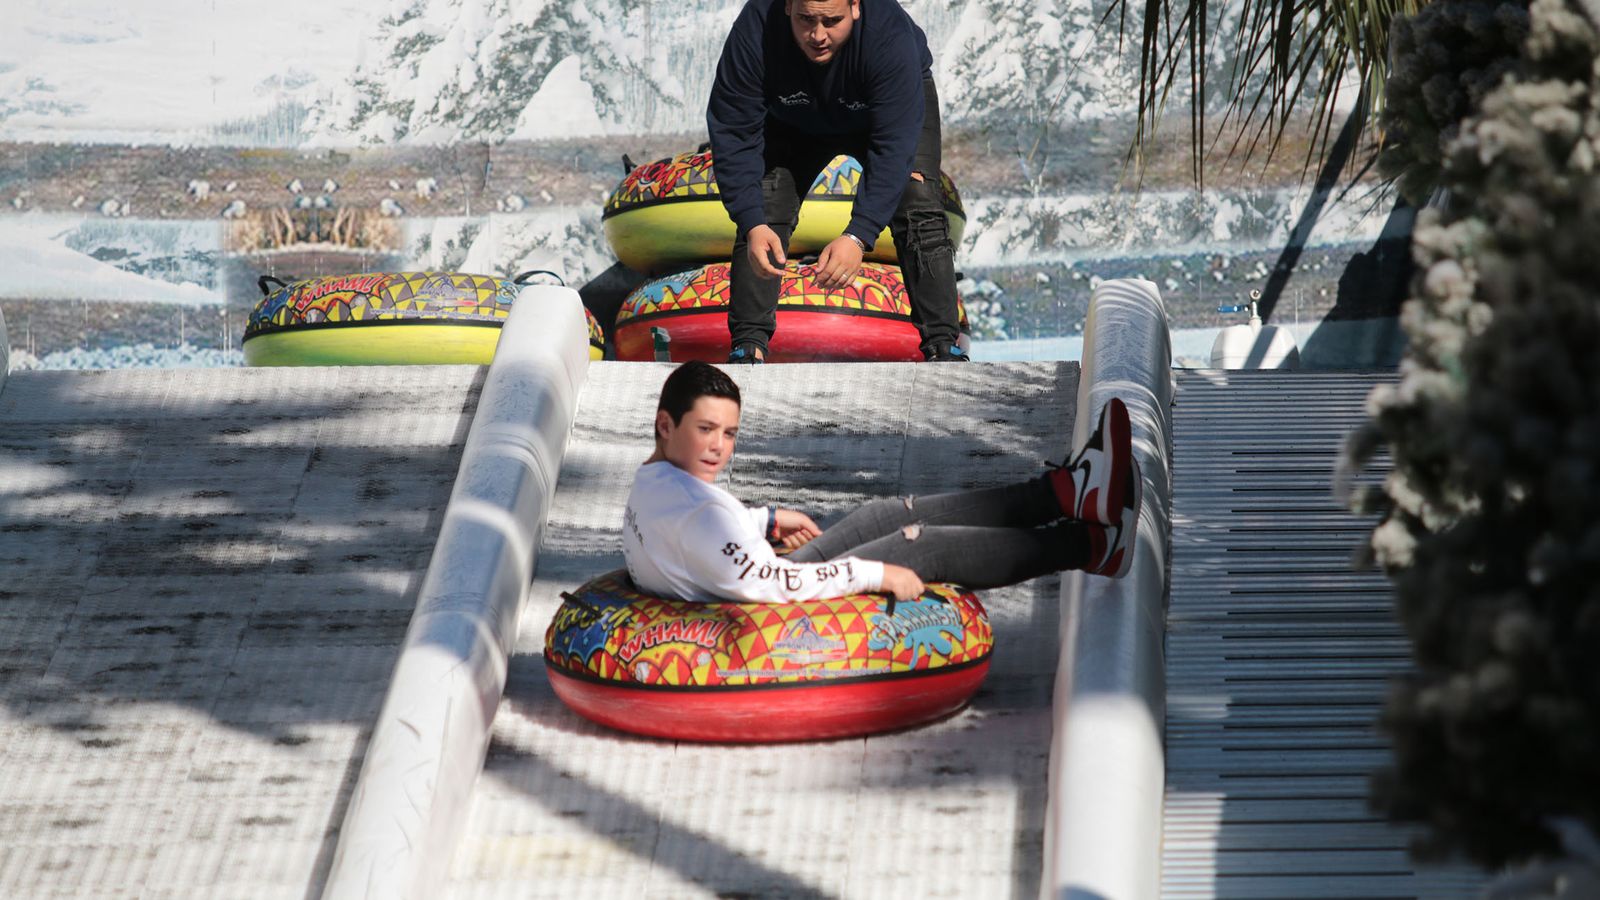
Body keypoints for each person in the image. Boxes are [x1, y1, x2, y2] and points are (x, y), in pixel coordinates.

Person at [621, 362, 1142, 606]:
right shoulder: (691, 508)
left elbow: (708, 539)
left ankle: (1069, 492)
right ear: (666, 425)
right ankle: (1092, 543)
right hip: (773, 613)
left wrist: (767, 519)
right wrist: (875, 574)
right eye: (705, 430)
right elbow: (772, 585)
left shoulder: (658, 482)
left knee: (878, 515)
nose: (719, 447)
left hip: (760, 579)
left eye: (729, 433)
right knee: (920, 546)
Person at [707, 0, 967, 364]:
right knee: (764, 206)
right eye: (805, 20)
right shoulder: (755, 30)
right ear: (786, 7)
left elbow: (894, 151)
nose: (817, 35)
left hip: (879, 114)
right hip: (791, 120)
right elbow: (733, 131)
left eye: (832, 21)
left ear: (856, 7)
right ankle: (747, 347)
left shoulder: (888, 37)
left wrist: (858, 236)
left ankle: (943, 345)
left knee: (917, 199)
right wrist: (750, 221)